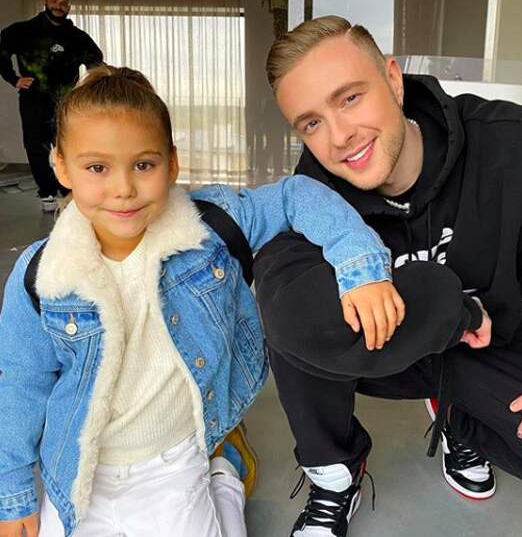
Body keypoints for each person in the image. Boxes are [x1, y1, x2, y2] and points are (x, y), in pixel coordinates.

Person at [0, 65, 406, 537]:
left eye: (143, 165)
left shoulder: (209, 226)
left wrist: (359, 267)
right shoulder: (42, 274)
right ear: (61, 166)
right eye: (97, 168)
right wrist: (13, 493)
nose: (123, 189)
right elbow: (22, 383)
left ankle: (223, 472)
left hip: (174, 463)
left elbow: (295, 196)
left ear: (171, 164)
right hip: (79, 475)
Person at [253, 15, 522, 536]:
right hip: (387, 350)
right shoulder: (310, 197)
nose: (339, 137)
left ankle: (461, 419)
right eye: (311, 123)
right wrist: (454, 310)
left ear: (393, 80)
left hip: (486, 344)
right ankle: (336, 471)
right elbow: (286, 309)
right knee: (294, 335)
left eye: (350, 98)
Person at [0, 0, 103, 212]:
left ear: (69, 7)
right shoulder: (24, 31)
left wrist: (87, 88)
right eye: (54, 1)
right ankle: (46, 193)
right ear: (45, 2)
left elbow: (97, 62)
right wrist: (14, 79)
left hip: (66, 103)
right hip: (34, 100)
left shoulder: (77, 37)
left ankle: (68, 191)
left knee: (69, 146)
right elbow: (2, 52)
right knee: (35, 147)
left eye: (63, 3)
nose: (59, 6)